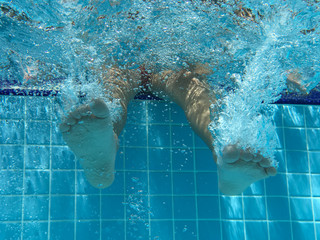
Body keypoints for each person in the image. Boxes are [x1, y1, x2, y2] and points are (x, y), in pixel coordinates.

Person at [59, 65, 277, 195]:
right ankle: (224, 151)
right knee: (194, 91)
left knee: (113, 85)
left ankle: (102, 154)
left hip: (128, 57)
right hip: (174, 66)